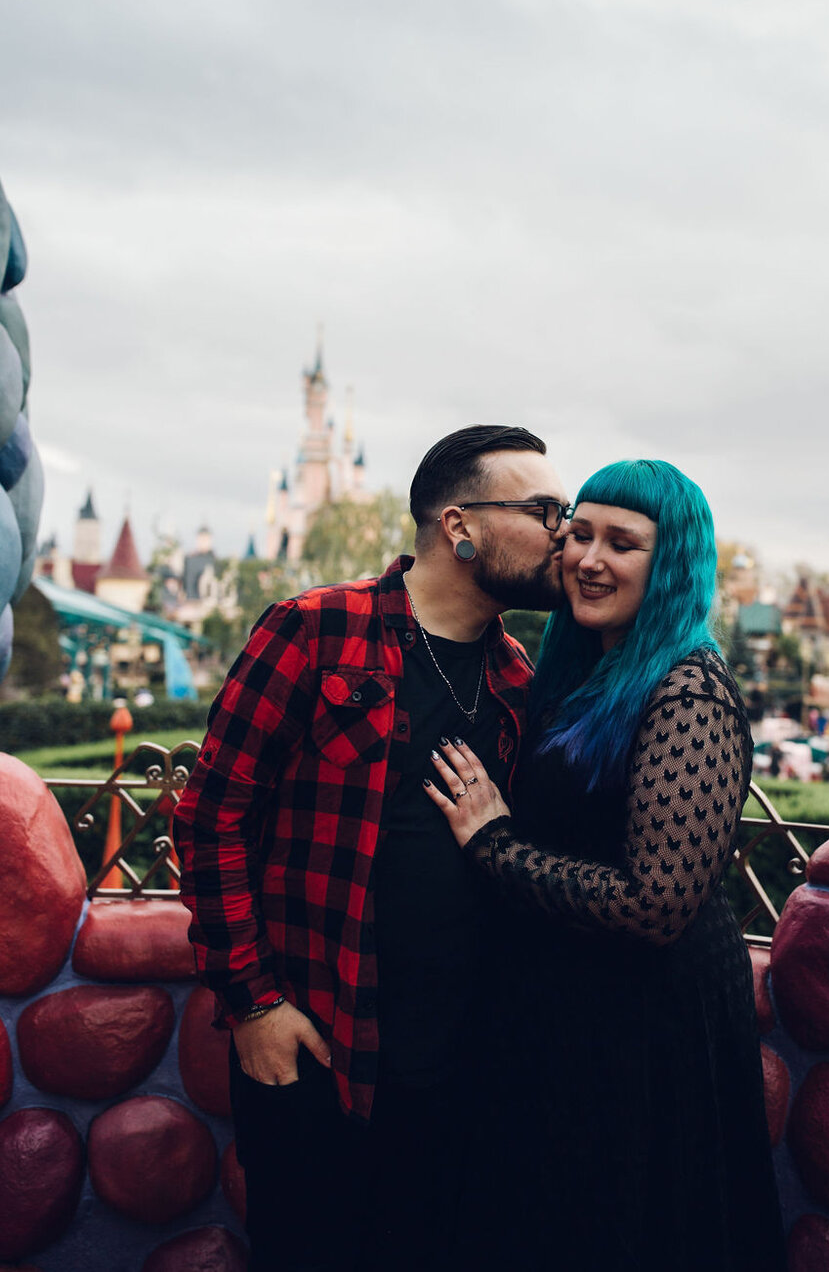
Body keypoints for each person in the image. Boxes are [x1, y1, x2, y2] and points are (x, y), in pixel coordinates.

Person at [173, 424, 570, 1272]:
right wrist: (253, 1003)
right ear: (460, 528)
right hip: (318, 1044)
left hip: (456, 1061)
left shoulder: (515, 680)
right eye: (542, 510)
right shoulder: (314, 632)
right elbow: (211, 817)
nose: (561, 531)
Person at [426, 459, 788, 1272]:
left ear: (672, 565)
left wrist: (494, 844)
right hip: (570, 1013)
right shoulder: (588, 670)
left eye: (622, 543)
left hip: (643, 1028)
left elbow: (655, 902)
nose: (589, 558)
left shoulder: (688, 692)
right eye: (579, 533)